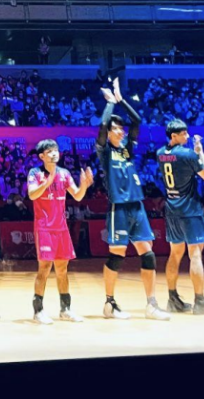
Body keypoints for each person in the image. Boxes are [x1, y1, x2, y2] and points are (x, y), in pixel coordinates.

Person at [95, 79, 168, 321]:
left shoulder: (127, 148)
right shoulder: (105, 151)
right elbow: (103, 125)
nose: (121, 131)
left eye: (121, 129)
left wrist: (121, 99)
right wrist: (109, 104)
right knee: (117, 256)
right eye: (117, 129)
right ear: (110, 133)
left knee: (148, 254)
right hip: (118, 208)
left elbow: (136, 120)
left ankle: (151, 304)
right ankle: (109, 302)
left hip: (137, 206)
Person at [27, 138, 92, 323]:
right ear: (42, 156)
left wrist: (84, 185)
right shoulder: (35, 173)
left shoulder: (64, 173)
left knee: (62, 269)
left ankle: (65, 309)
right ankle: (38, 311)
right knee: (45, 268)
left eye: (55, 150)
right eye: (49, 151)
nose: (54, 153)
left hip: (61, 228)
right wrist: (46, 184)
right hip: (44, 227)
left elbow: (77, 196)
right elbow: (32, 194)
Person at [156, 119, 204, 315]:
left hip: (172, 207)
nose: (187, 136)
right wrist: (200, 153)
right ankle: (200, 302)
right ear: (173, 136)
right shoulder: (187, 154)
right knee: (195, 254)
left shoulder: (160, 153)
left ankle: (173, 300)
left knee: (175, 254)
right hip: (189, 209)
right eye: (183, 134)